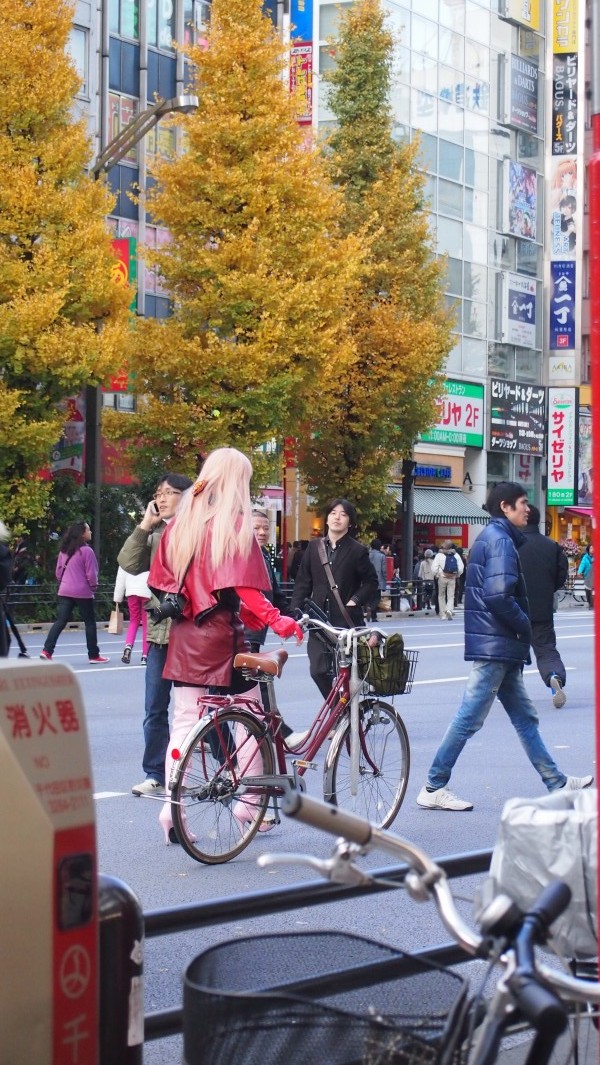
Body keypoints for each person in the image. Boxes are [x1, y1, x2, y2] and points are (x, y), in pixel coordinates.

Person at [148, 447, 304, 843]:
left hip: (184, 637)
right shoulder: (232, 526)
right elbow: (246, 591)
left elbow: (166, 583)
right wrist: (278, 620)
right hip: (220, 638)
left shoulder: (180, 524)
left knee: (183, 723)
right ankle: (250, 803)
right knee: (251, 722)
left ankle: (172, 811)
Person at [416, 481, 593, 812]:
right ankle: (433, 784)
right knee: (470, 716)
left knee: (524, 716)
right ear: (505, 508)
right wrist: (524, 626)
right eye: (522, 503)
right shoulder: (499, 541)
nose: (528, 509)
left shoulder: (499, 538)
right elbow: (498, 596)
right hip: (497, 643)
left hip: (500, 643)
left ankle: (555, 781)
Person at [118, 471, 193, 796]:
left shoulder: (196, 532)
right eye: (158, 493)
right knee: (155, 708)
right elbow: (128, 563)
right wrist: (145, 525)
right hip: (160, 633)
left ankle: (228, 766)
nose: (161, 499)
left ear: (186, 497)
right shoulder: (155, 532)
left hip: (192, 632)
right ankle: (155, 774)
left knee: (202, 709)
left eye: (170, 493)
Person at [289, 499, 379, 698]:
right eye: (333, 513)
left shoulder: (357, 550)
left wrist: (355, 599)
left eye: (343, 514)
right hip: (319, 621)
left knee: (345, 674)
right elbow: (303, 582)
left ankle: (349, 718)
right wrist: (295, 612)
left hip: (346, 622)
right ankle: (336, 711)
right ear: (327, 519)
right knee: (318, 671)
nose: (337, 517)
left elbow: (371, 582)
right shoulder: (314, 548)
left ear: (350, 522)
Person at [518, 504, 569, 708]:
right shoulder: (551, 545)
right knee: (546, 649)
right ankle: (553, 676)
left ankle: (511, 692)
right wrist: (547, 589)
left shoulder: (511, 544)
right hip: (542, 608)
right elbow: (561, 575)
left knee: (514, 652)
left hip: (515, 608)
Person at [40, 522, 108, 663]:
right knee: (89, 623)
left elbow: (58, 571)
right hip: (82, 591)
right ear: (82, 533)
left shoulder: (64, 550)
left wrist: (64, 582)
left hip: (65, 590)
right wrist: (93, 586)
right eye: (88, 530)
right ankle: (94, 655)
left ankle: (47, 651)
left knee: (60, 621)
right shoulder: (87, 551)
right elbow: (92, 574)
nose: (91, 532)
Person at [113, 565, 152, 664]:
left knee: (134, 620)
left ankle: (128, 646)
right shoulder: (150, 552)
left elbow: (121, 578)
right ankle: (145, 656)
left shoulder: (128, 554)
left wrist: (117, 598)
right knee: (146, 624)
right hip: (147, 590)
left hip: (131, 591)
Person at [431, 540, 464, 620]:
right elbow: (460, 567)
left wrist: (436, 575)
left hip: (442, 577)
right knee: (451, 596)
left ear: (444, 545)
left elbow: (434, 567)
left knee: (441, 595)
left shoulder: (439, 555)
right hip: (452, 577)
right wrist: (457, 575)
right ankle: (449, 609)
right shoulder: (456, 555)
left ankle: (442, 614)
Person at [368, 539, 387, 622]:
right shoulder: (381, 556)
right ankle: (373, 612)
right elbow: (384, 570)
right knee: (377, 598)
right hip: (378, 580)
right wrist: (385, 580)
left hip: (367, 580)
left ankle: (371, 611)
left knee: (370, 597)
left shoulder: (367, 554)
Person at [418, 549, 435, 614]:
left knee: (426, 592)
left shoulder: (422, 563)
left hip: (424, 580)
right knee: (430, 593)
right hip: (432, 579)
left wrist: (420, 578)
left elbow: (420, 573)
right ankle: (425, 602)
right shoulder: (434, 562)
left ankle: (428, 605)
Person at [578, 544, 594, 609]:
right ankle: (590, 603)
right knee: (588, 590)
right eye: (591, 548)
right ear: (588, 549)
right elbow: (582, 565)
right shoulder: (585, 558)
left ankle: (592, 604)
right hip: (587, 576)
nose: (593, 549)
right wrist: (579, 572)